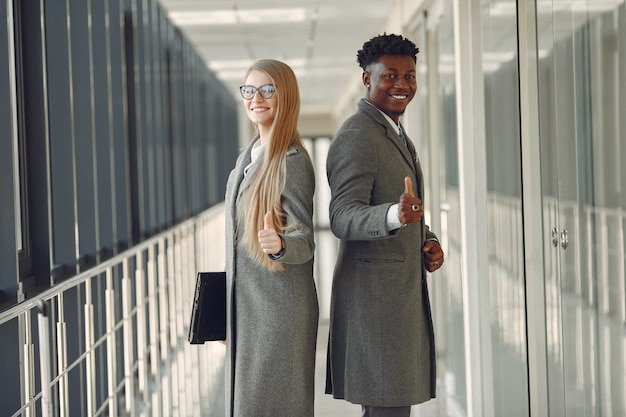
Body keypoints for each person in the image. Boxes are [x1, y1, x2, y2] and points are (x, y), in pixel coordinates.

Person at [324, 33, 445, 417]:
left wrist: (427, 240)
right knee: (387, 409)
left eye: (409, 76)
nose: (402, 85)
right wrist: (394, 215)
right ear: (367, 78)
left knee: (390, 408)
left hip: (393, 299)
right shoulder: (357, 135)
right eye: (390, 75)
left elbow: (403, 206)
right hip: (374, 306)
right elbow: (342, 215)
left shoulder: (393, 132)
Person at [223, 59, 319, 417]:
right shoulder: (246, 161)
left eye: (267, 89)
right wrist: (226, 312)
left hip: (278, 315)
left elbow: (304, 238)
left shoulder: (291, 161)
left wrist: (280, 245)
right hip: (248, 312)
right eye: (249, 90)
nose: (256, 98)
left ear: (286, 97)